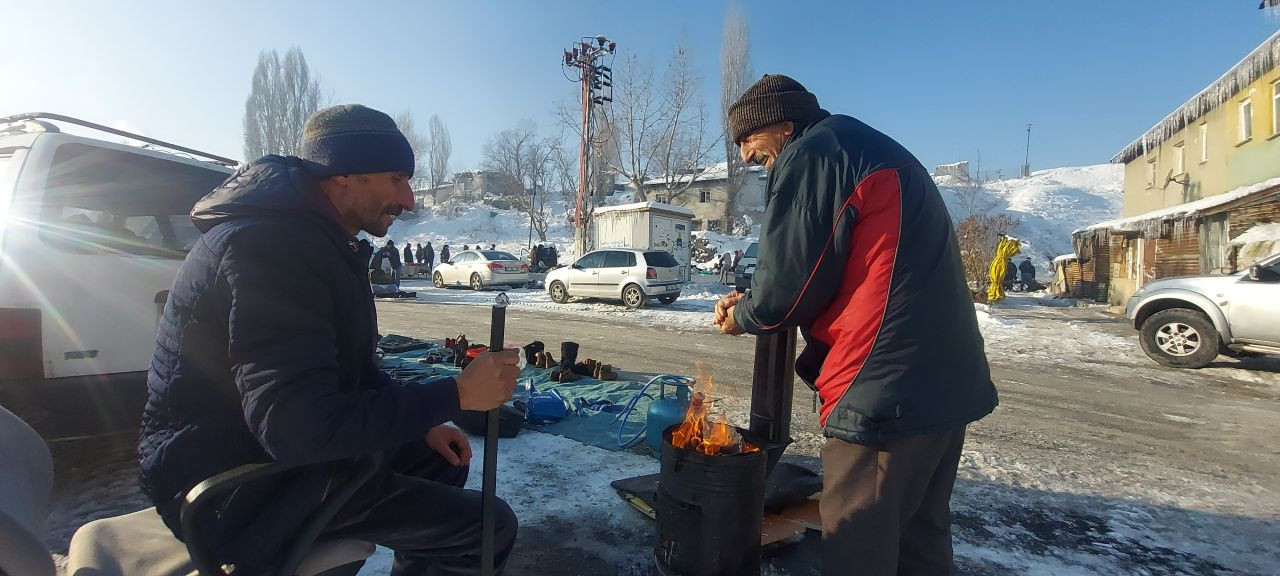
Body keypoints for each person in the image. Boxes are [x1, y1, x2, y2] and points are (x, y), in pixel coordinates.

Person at [139, 104, 520, 575]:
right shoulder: (274, 250)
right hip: (231, 487)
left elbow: (343, 372)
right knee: (489, 527)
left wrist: (419, 420)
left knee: (441, 459)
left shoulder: (311, 238)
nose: (410, 200)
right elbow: (294, 427)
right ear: (344, 174)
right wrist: (457, 393)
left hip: (255, 452)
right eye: (397, 179)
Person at [713, 75, 997, 575]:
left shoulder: (812, 155)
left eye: (751, 146)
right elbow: (832, 263)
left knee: (856, 538)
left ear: (782, 126)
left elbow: (784, 291)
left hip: (882, 391)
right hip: (946, 383)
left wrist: (743, 313)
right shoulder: (868, 148)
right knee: (918, 540)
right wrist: (759, 295)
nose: (747, 160)